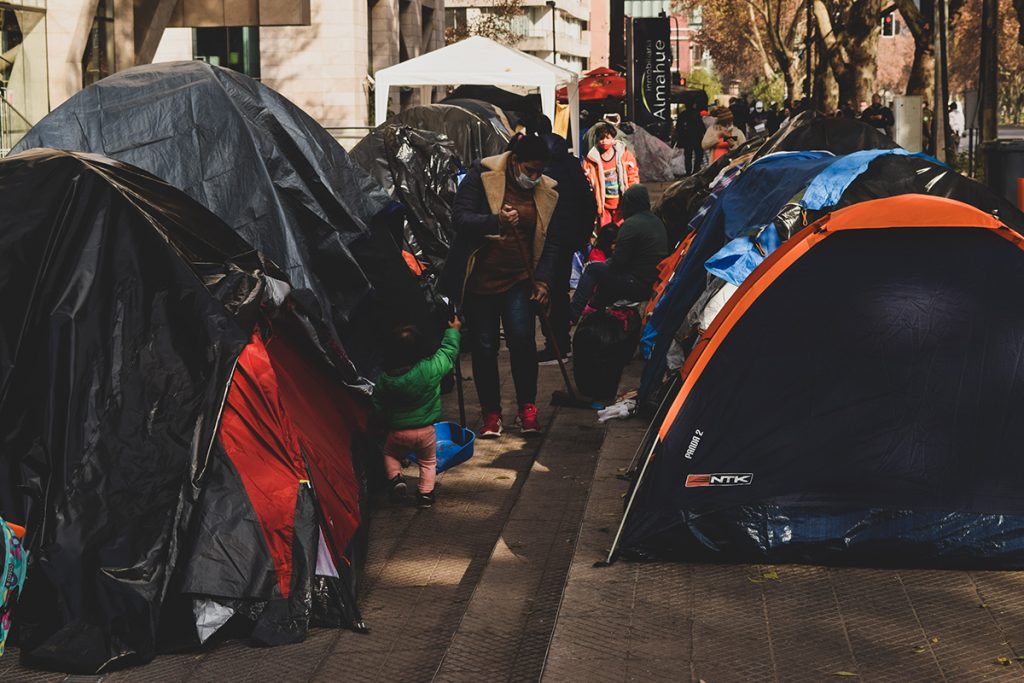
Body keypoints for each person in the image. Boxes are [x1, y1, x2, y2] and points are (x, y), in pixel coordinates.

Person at [442, 134, 559, 438]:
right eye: (529, 170)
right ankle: (491, 413)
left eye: (538, 172)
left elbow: (550, 240)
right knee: (483, 346)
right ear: (515, 161)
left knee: (522, 341)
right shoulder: (481, 176)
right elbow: (460, 218)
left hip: (519, 279)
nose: (533, 177)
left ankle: (527, 408)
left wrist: (543, 280)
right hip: (480, 281)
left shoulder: (546, 191)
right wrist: (495, 222)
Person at [373, 318, 462, 509]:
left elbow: (378, 405)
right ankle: (425, 494)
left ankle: (396, 478)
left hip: (397, 432)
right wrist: (453, 331)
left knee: (389, 454)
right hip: (426, 432)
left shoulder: (385, 380)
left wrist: (380, 422)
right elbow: (448, 354)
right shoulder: (430, 369)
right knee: (428, 462)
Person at [537, 131, 598, 365]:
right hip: (567, 239)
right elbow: (588, 202)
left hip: (553, 240)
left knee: (549, 292)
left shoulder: (546, 170)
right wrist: (580, 237)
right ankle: (559, 343)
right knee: (558, 292)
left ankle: (556, 345)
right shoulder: (572, 166)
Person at [570, 185, 667, 321]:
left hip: (638, 284)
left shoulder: (631, 224)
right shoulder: (656, 221)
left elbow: (618, 262)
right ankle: (596, 306)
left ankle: (573, 314)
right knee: (604, 270)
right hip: (652, 281)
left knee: (593, 269)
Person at [583, 122, 641, 231]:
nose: (604, 141)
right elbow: (587, 181)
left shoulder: (625, 155)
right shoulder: (591, 160)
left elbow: (633, 175)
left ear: (613, 138)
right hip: (603, 207)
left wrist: (631, 196)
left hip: (621, 205)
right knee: (605, 234)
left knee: (622, 232)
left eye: (607, 138)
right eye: (601, 138)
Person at [674, 103, 707, 175]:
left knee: (688, 155)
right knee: (698, 154)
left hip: (686, 138)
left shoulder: (682, 114)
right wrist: (704, 134)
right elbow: (701, 126)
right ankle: (696, 169)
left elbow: (678, 128)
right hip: (697, 137)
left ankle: (688, 171)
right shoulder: (696, 114)